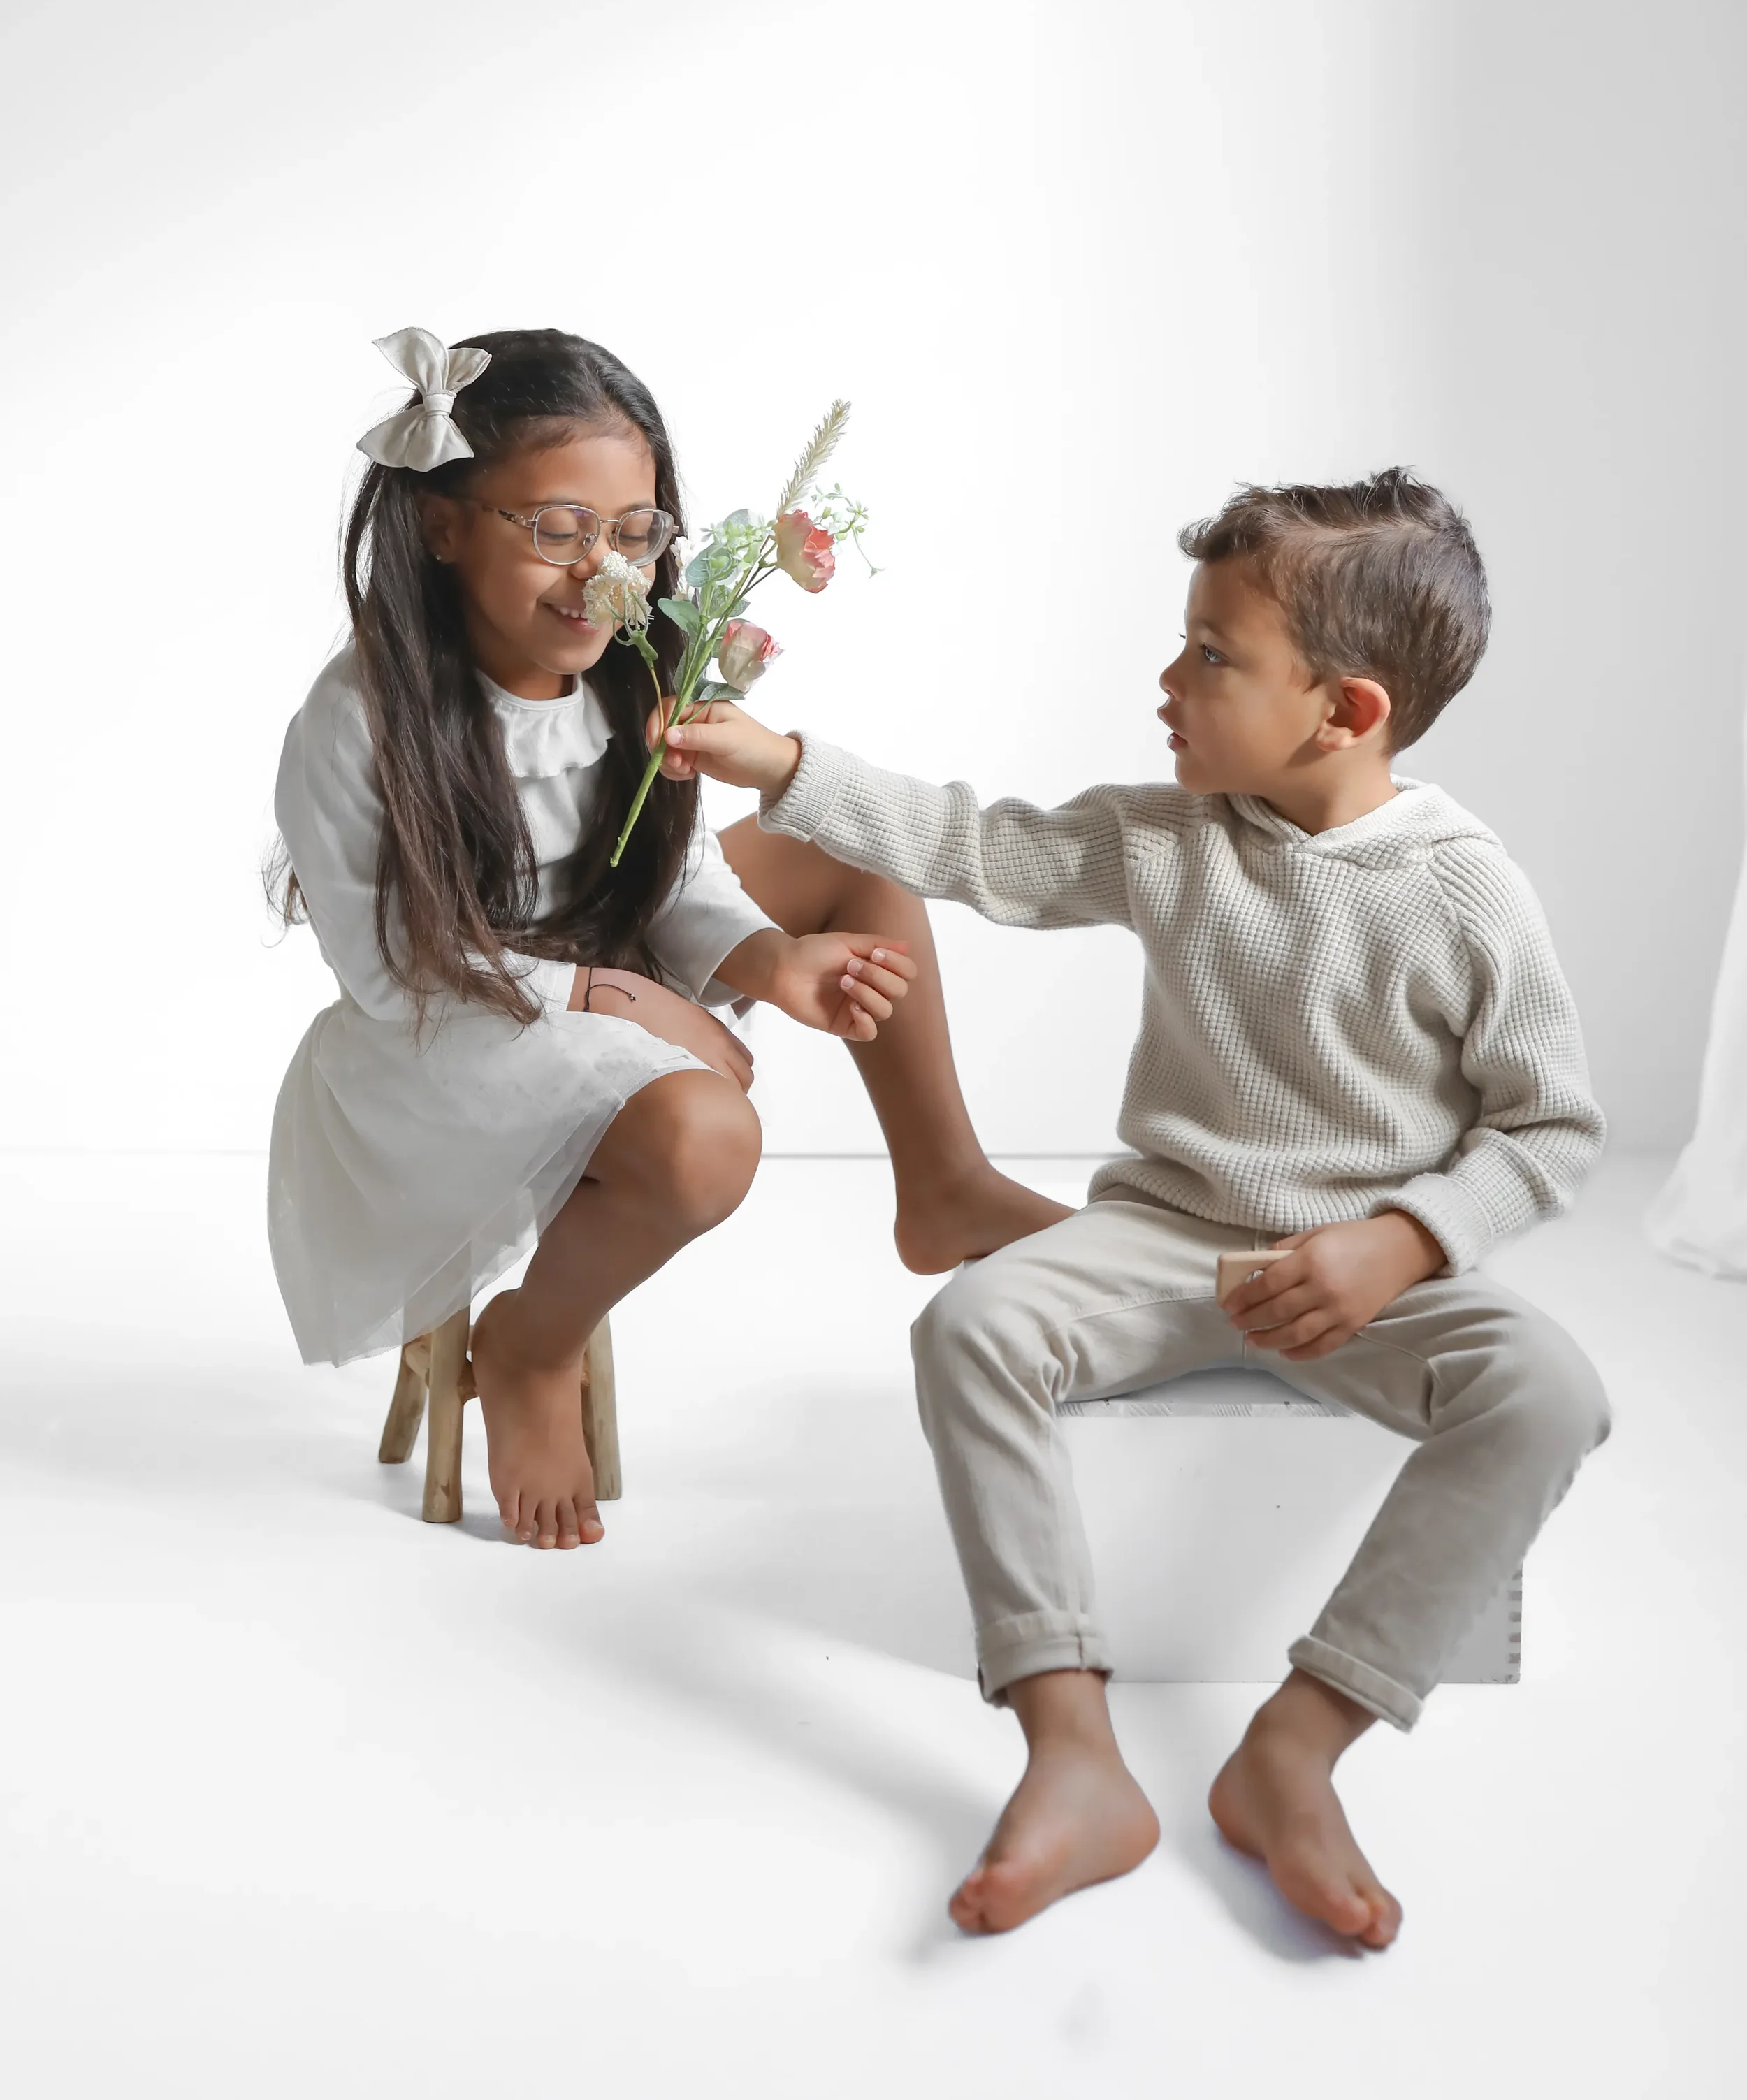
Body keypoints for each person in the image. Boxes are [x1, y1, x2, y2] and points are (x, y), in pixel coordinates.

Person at [660, 468, 1611, 1946]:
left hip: (1366, 1278)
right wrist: (782, 762)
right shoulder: (1172, 832)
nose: (1165, 683)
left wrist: (1405, 1239)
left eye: (1210, 656)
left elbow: (1549, 1126)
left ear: (1343, 711)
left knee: (1546, 1389)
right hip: (1162, 1244)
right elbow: (976, 847)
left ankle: (1293, 1751)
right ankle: (1070, 1750)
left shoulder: (1462, 891)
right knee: (972, 1322)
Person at [268, 327, 1070, 1552]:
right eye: (556, 529)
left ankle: (943, 1183)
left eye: (632, 534)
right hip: (445, 1036)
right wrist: (625, 1000)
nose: (603, 573)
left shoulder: (632, 671)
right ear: (443, 523)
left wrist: (766, 963)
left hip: (599, 954)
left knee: (852, 855)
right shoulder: (362, 718)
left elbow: (675, 872)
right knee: (709, 1137)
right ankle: (528, 1348)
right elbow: (395, 972)